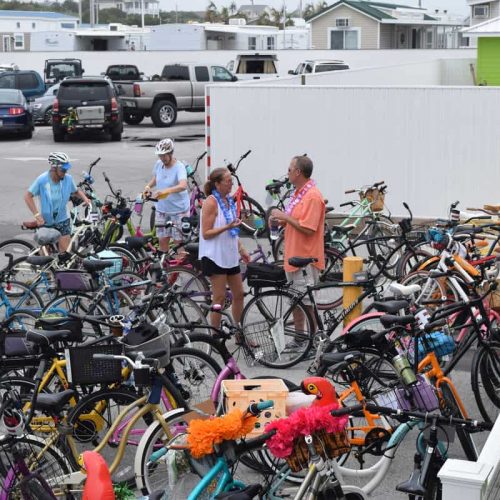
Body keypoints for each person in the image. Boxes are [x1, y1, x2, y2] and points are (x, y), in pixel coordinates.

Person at [270, 155, 325, 344]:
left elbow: (308, 228)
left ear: (298, 172)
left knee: (307, 303)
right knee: (295, 300)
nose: (287, 172)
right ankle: (300, 338)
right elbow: (295, 222)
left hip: (306, 259)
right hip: (293, 256)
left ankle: (310, 340)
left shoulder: (312, 196)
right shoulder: (298, 193)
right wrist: (282, 221)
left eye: (289, 169)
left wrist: (285, 217)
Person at [199, 167, 250, 328]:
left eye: (231, 180)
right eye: (228, 181)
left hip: (230, 255)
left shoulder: (228, 200)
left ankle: (238, 332)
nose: (231, 184)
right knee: (219, 298)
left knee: (239, 294)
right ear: (217, 184)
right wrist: (226, 227)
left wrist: (241, 249)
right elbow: (206, 233)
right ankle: (214, 334)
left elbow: (232, 230)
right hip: (215, 256)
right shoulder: (211, 202)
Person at [24, 152, 90, 252]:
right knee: (45, 257)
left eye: (66, 169)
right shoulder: (42, 180)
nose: (65, 171)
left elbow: (76, 191)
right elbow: (28, 196)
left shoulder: (68, 179)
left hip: (62, 220)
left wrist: (85, 199)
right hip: (45, 221)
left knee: (65, 254)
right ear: (54, 168)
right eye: (63, 169)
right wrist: (37, 215)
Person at [144, 138, 190, 252]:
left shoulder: (179, 167)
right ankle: (166, 268)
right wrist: (148, 187)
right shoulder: (159, 164)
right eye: (160, 155)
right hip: (162, 210)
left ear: (171, 153)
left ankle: (181, 268)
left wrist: (165, 191)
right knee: (162, 240)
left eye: (164, 155)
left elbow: (183, 185)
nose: (162, 158)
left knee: (178, 244)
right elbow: (156, 178)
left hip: (178, 211)